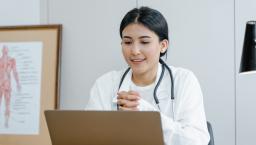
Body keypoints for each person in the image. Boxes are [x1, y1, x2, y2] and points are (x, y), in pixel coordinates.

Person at [86, 6, 210, 145]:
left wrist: (147, 116)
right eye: (127, 42)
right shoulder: (105, 84)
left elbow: (197, 141)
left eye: (144, 42)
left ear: (163, 45)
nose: (135, 51)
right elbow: (89, 136)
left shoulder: (183, 80)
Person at [0, 45, 21, 128]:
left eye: (6, 49)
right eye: (4, 49)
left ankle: (6, 122)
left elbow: (15, 72)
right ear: (2, 50)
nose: (5, 51)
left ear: (7, 51)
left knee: (7, 104)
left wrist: (18, 83)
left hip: (7, 85)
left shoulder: (11, 60)